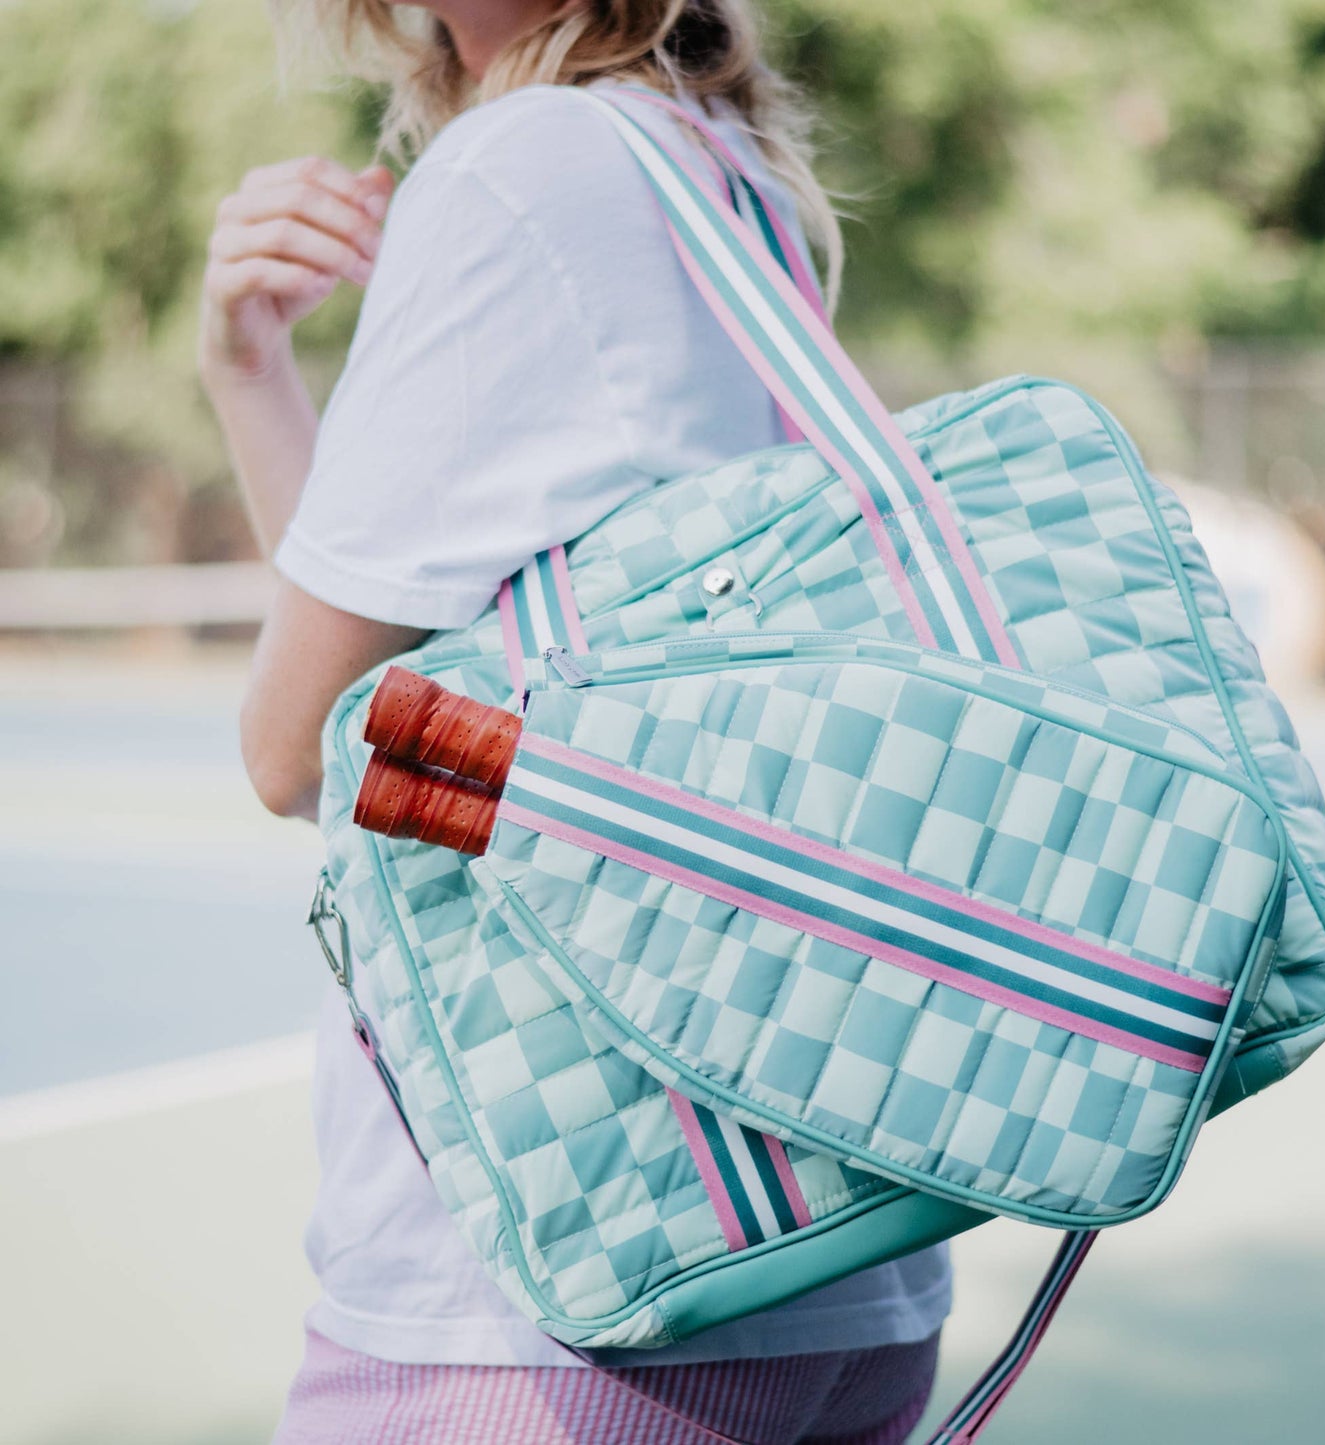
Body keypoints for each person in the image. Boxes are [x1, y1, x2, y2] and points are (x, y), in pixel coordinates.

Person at [200, 3, 952, 1441]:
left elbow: (303, 749)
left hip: (556, 1287)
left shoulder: (518, 167)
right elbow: (394, 697)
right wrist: (253, 369)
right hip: (831, 1248)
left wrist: (237, 370)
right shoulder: (718, 163)